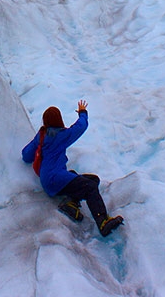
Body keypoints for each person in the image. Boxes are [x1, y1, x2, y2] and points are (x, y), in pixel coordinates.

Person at [22, 99, 124, 237]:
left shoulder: (41, 136)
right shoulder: (61, 135)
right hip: (56, 179)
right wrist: (83, 112)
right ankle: (103, 222)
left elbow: (26, 155)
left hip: (48, 180)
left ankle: (71, 205)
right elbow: (80, 127)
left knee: (91, 179)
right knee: (90, 186)